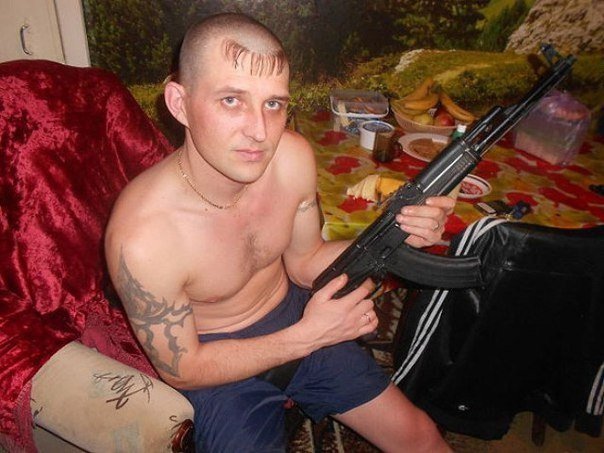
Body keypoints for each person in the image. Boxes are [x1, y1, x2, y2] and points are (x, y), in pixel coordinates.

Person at [105, 12, 454, 452]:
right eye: (231, 100)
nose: (260, 131)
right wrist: (309, 335)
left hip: (292, 311)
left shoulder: (291, 158)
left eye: (273, 104)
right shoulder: (143, 237)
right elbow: (184, 368)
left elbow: (306, 263)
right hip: (215, 363)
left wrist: (397, 234)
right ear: (179, 103)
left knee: (420, 436)